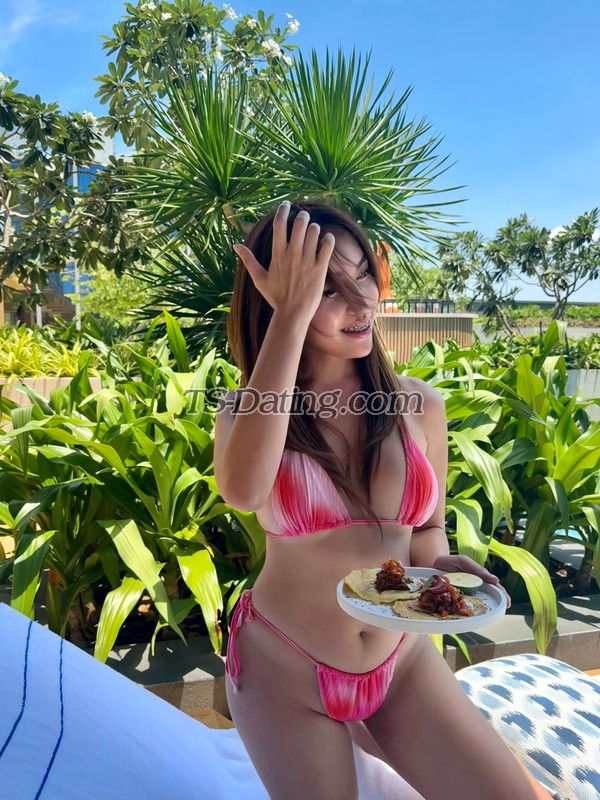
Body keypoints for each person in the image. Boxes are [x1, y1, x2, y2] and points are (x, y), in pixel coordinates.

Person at [214, 200, 552, 800]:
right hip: (284, 669)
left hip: (402, 661)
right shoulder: (248, 410)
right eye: (327, 288)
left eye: (364, 275)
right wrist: (291, 316)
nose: (361, 301)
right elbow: (243, 492)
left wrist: (440, 566)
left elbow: (423, 532)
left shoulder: (419, 405)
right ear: (276, 297)